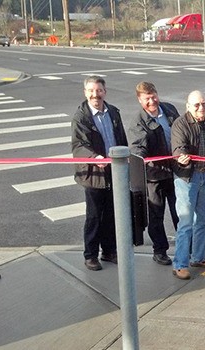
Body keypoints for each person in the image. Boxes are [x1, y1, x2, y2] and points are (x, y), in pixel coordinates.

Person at [72, 76, 128, 271]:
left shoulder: (113, 112)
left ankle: (109, 251)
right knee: (94, 216)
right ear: (85, 93)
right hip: (93, 174)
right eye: (91, 91)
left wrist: (125, 157)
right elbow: (79, 146)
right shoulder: (82, 117)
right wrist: (95, 157)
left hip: (114, 171)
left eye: (99, 90)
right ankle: (90, 255)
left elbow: (121, 138)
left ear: (105, 91)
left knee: (112, 214)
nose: (95, 94)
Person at [171, 90, 205, 280]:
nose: (202, 108)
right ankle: (180, 264)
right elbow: (178, 147)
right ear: (188, 107)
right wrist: (182, 158)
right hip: (187, 178)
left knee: (202, 220)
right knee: (185, 223)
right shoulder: (180, 124)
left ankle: (198, 257)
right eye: (197, 105)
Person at [128, 82, 180, 266]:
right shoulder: (138, 121)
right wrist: (143, 159)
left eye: (153, 96)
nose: (152, 101)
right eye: (147, 98)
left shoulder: (169, 110)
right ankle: (160, 250)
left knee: (180, 212)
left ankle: (184, 248)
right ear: (140, 100)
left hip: (174, 172)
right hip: (154, 176)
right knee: (156, 216)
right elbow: (137, 148)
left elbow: (181, 132)